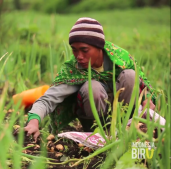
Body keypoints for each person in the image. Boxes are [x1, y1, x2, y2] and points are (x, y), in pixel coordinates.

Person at [24, 17, 156, 141]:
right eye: (74, 50)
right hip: (94, 124)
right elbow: (48, 99)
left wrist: (147, 100)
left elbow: (145, 87)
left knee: (130, 76)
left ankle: (127, 128)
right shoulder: (74, 70)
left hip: (125, 118)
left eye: (84, 50)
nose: (78, 56)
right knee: (93, 87)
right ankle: (101, 134)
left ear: (99, 47)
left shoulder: (120, 59)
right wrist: (33, 122)